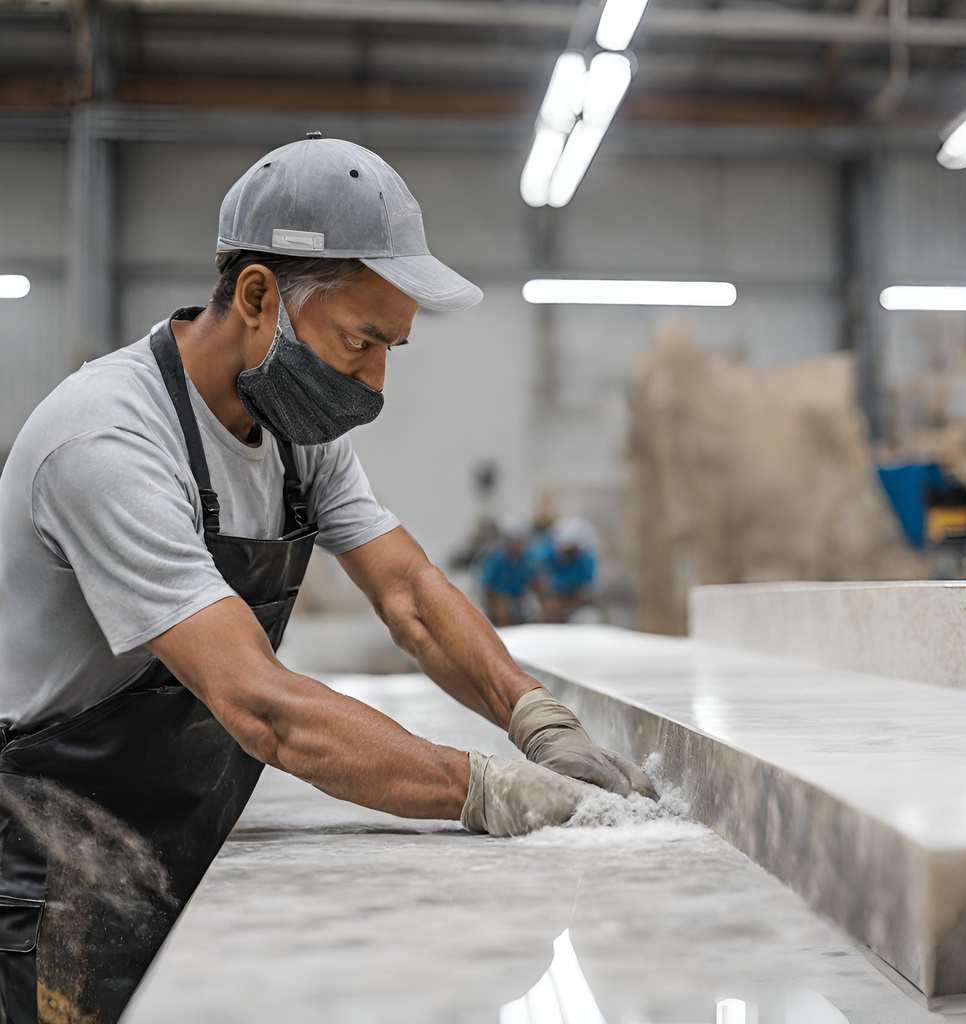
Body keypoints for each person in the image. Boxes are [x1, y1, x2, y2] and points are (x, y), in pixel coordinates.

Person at [0, 136, 654, 1023]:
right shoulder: (107, 441)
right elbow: (259, 703)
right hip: (59, 867)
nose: (377, 380)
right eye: (362, 340)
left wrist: (535, 717)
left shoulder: (299, 435)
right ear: (260, 295)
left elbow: (410, 595)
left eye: (394, 348)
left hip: (187, 835)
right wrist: (483, 788)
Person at [476, 523, 541, 626]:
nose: (519, 546)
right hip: (497, 596)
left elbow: (534, 580)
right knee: (502, 606)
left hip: (519, 596)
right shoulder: (495, 558)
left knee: (536, 609)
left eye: (521, 542)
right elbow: (484, 584)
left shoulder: (527, 559)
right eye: (516, 542)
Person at [539, 517, 600, 623]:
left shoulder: (587, 561)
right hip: (550, 600)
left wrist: (569, 604)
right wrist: (548, 600)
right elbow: (538, 579)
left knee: (588, 618)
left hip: (575, 605)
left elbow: (587, 590)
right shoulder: (547, 555)